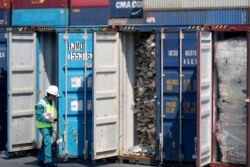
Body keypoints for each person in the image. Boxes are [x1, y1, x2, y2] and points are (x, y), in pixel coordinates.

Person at [35, 85, 58, 167]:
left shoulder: (51, 102)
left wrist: (54, 120)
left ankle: (40, 160)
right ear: (51, 95)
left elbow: (49, 114)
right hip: (43, 126)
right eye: (55, 96)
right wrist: (49, 120)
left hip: (49, 125)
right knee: (48, 142)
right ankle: (48, 162)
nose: (55, 97)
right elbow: (38, 116)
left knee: (45, 143)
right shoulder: (41, 104)